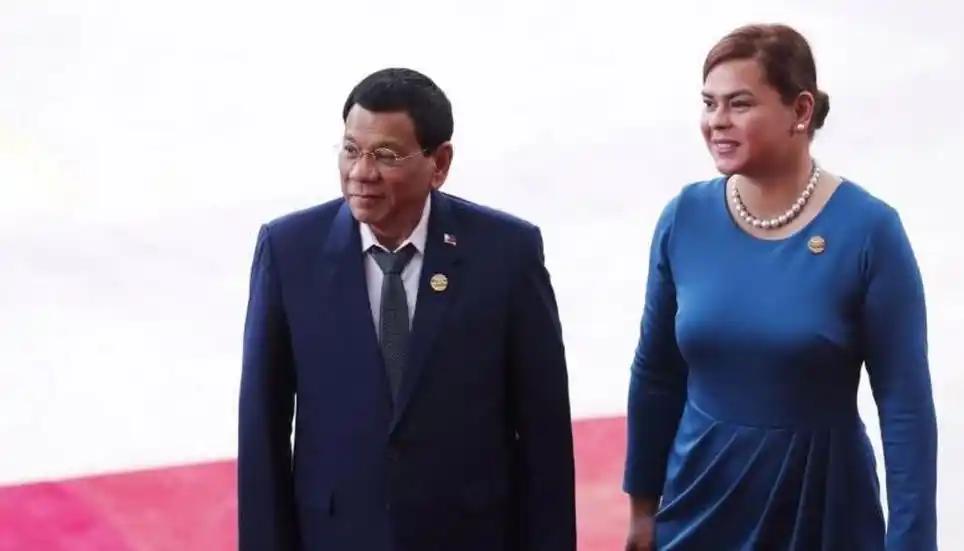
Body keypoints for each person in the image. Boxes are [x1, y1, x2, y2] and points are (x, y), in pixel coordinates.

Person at [623, 24, 937, 550]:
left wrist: (911, 542)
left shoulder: (869, 231)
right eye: (709, 104)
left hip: (821, 508)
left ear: (801, 110)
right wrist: (641, 508)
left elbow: (905, 408)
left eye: (740, 104)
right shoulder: (684, 218)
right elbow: (655, 374)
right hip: (699, 504)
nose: (717, 121)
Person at [238, 67, 576, 550]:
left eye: (386, 156)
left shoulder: (505, 254)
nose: (361, 172)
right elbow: (263, 426)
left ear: (440, 163)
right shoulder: (290, 252)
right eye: (351, 150)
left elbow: (545, 431)